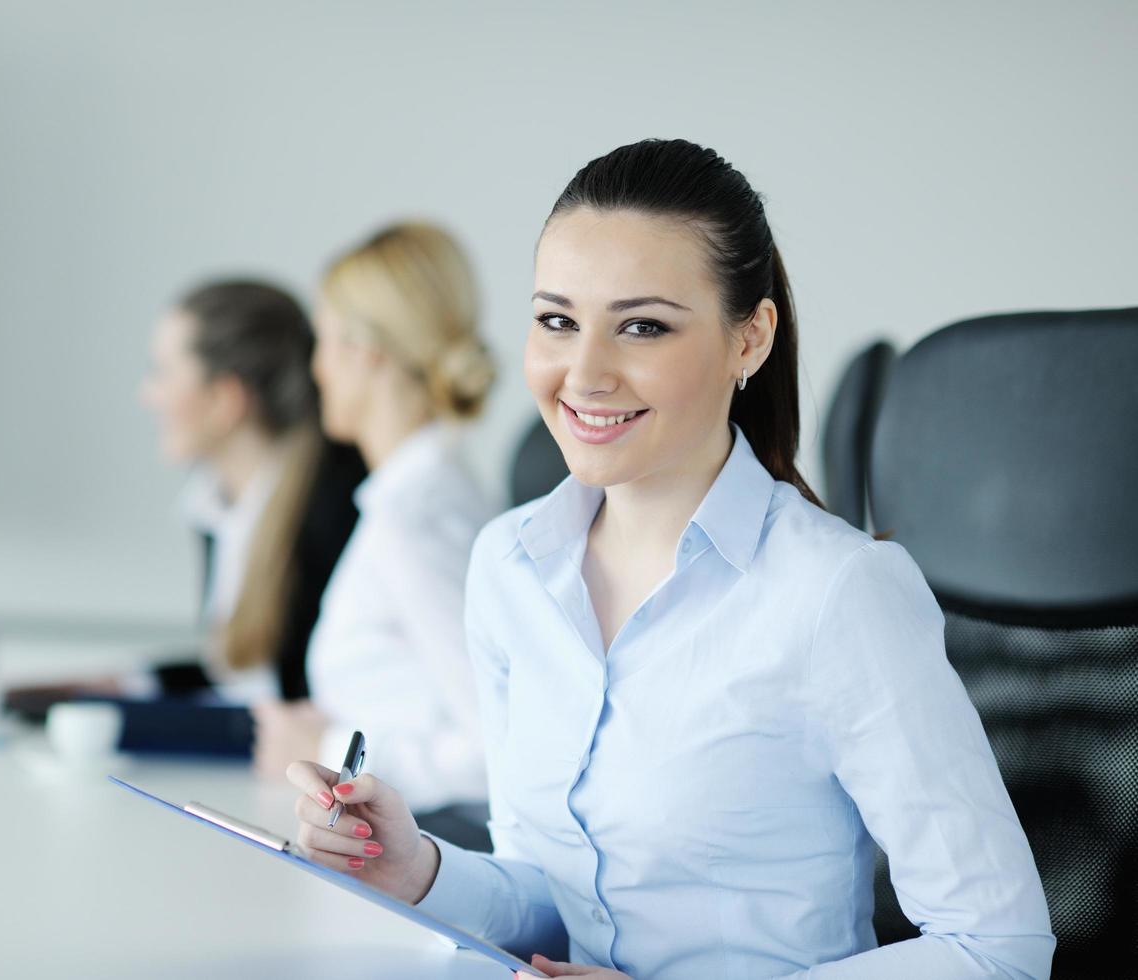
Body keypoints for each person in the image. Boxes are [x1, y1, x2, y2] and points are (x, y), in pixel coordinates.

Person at [283, 140, 1055, 979]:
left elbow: (997, 950)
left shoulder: (836, 592)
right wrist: (421, 870)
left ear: (750, 339)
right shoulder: (508, 567)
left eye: (642, 326)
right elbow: (557, 901)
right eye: (557, 321)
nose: (584, 374)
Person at [253, 222, 498, 826]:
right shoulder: (418, 495)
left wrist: (325, 751)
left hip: (427, 855)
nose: (316, 368)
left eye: (324, 341)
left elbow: (498, 751)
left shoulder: (414, 518)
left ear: (365, 352)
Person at [136, 279, 365, 707]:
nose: (148, 394)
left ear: (226, 400)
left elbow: (306, 695)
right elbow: (242, 681)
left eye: (162, 373)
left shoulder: (338, 505)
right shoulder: (213, 506)